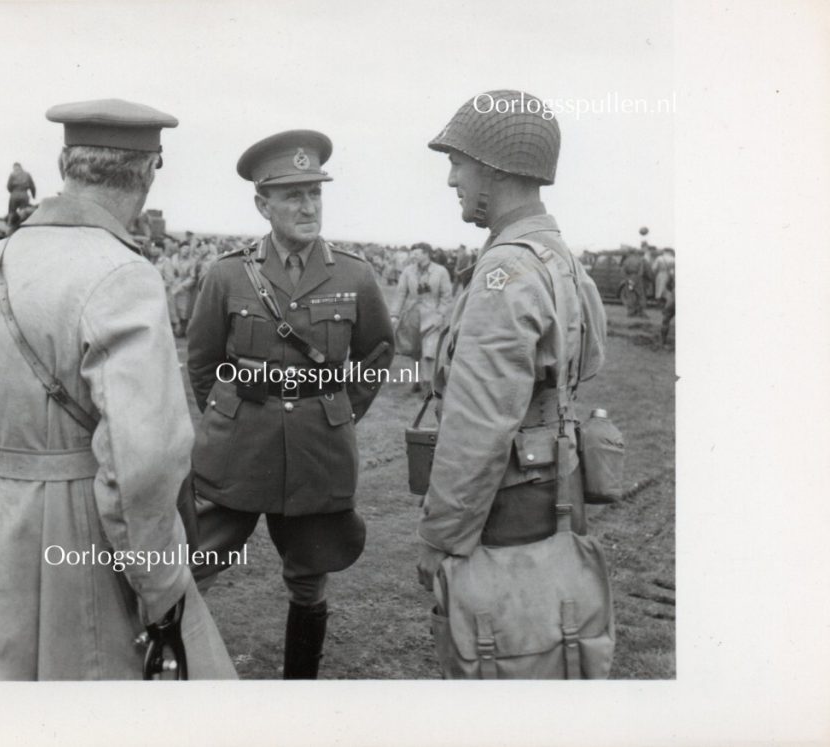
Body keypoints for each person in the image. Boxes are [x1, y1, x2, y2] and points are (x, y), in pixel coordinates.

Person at [0, 98, 235, 680]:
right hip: (73, 534)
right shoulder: (122, 274)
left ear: (63, 162)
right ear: (149, 171)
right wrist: (162, 588)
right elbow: (141, 463)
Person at [417, 89, 614, 679]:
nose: (452, 179)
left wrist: (441, 539)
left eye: (459, 163)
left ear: (496, 168)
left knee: (500, 664)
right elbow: (591, 361)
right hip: (555, 493)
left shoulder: (505, 270)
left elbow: (476, 428)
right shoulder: (559, 257)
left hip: (505, 513)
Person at [186, 130, 395, 679]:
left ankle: (298, 692)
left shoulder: (354, 274)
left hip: (316, 450)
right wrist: (231, 415)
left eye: (315, 193)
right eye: (293, 195)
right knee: (193, 567)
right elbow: (203, 362)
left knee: (309, 577)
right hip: (238, 448)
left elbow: (376, 354)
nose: (308, 207)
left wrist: (336, 412)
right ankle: (176, 680)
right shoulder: (228, 274)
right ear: (263, 205)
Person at [391, 242, 453, 393]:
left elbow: (446, 296)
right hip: (412, 316)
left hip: (433, 317)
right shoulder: (408, 271)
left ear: (426, 254)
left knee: (429, 352)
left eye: (416, 253)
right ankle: (416, 381)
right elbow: (400, 294)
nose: (413, 256)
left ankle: (428, 382)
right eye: (413, 253)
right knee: (414, 351)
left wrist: (440, 314)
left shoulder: (440, 271)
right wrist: (394, 314)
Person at [5, 162, 37, 231]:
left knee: (11, 212)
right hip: (24, 194)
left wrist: (13, 191)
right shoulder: (27, 174)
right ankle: (22, 229)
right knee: (23, 212)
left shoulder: (12, 174)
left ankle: (9, 228)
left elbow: (8, 186)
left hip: (14, 194)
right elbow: (32, 186)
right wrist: (33, 195)